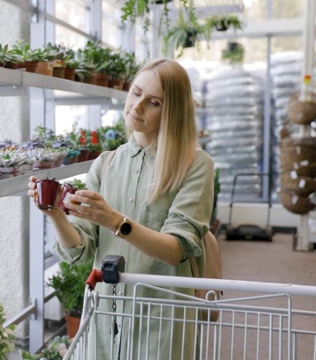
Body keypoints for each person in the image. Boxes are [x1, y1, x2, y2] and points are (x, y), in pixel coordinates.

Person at [28, 58, 214, 359]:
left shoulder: (194, 165)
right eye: (135, 93)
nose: (137, 106)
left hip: (162, 322)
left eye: (153, 102)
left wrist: (115, 220)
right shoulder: (106, 163)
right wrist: (56, 214)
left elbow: (175, 249)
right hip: (106, 317)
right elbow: (81, 250)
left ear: (172, 111)